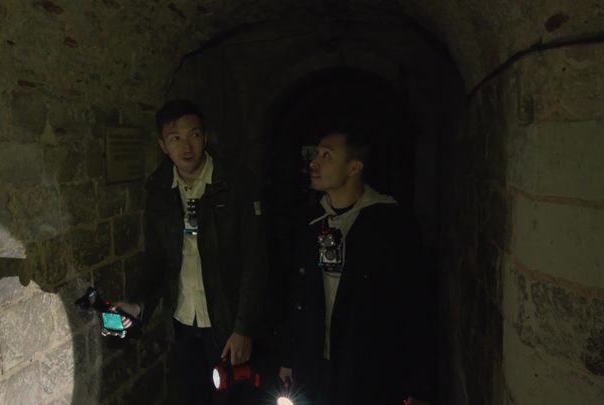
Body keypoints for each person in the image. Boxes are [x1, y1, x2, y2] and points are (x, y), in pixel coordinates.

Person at [117, 100, 267, 405]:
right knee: (192, 396)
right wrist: (138, 304)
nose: (186, 147)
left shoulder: (236, 183)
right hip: (183, 321)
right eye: (175, 138)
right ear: (163, 145)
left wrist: (244, 328)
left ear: (205, 136)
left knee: (232, 399)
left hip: (226, 324)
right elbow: (157, 258)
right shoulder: (159, 188)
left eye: (194, 135)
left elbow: (256, 260)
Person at [278, 129, 434, 404]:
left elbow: (414, 304)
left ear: (354, 167)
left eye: (327, 155)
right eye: (317, 154)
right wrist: (289, 357)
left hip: (367, 370)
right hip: (316, 366)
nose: (315, 162)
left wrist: (417, 385)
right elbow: (299, 294)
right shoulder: (312, 222)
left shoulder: (391, 225)